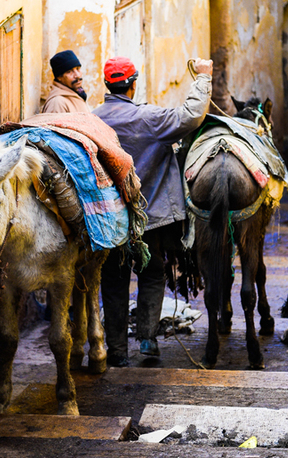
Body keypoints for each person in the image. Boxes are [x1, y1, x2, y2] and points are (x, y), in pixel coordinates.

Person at [93, 56, 213, 367]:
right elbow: (191, 115)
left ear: (107, 85)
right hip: (152, 220)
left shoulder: (92, 122)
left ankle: (117, 350)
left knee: (114, 279)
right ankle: (147, 339)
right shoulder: (149, 118)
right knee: (152, 274)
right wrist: (202, 78)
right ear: (132, 85)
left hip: (110, 220)